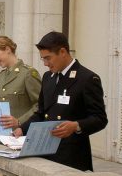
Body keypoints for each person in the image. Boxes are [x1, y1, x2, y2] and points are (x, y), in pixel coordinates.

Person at [14, 31, 108, 171]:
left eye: (48, 58)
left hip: (71, 157)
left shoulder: (87, 79)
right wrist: (22, 128)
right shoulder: (48, 77)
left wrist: (76, 126)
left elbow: (100, 119)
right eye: (43, 59)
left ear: (63, 51)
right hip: (45, 152)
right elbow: (41, 112)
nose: (46, 64)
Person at [0, 36, 41, 129]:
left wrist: (19, 121)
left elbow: (40, 105)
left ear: (8, 49)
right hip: (4, 133)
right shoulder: (1, 76)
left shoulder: (28, 73)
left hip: (22, 133)